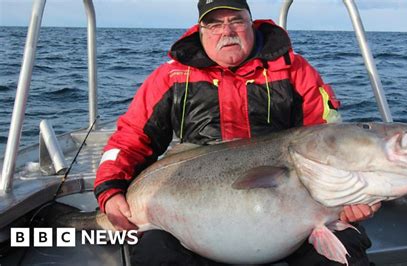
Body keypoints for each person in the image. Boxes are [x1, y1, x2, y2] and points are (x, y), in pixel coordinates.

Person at [94, 0, 381, 265]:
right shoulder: (171, 77)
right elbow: (130, 138)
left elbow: (327, 141)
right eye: (214, 24)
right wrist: (110, 190)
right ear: (200, 29)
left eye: (236, 21)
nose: (226, 32)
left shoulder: (295, 71)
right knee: (155, 254)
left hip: (294, 217)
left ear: (252, 22)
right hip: (192, 220)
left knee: (345, 252)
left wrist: (357, 196)